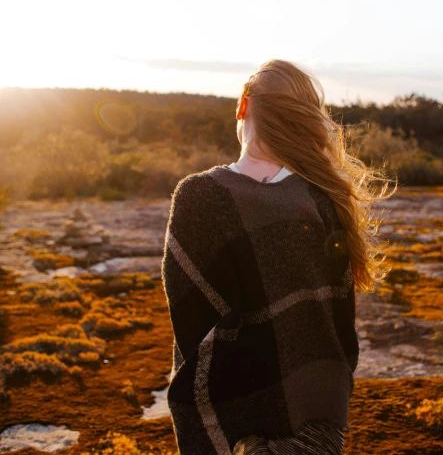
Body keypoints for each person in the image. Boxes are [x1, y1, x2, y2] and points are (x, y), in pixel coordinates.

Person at [161, 59, 394, 455]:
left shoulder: (201, 197)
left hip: (239, 431)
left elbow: (193, 332)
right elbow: (340, 327)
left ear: (242, 106)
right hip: (320, 424)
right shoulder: (324, 198)